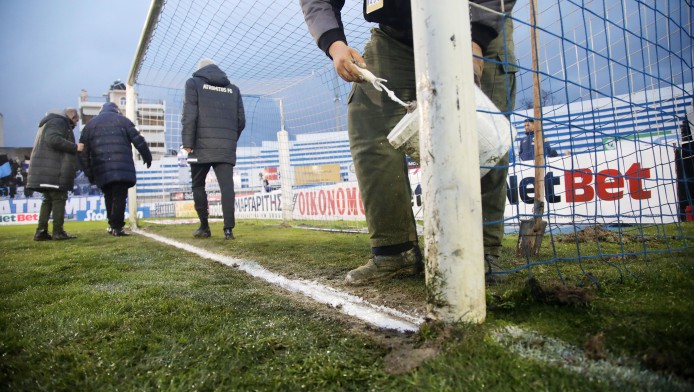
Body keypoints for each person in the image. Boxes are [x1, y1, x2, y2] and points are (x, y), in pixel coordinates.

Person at [300, 0, 516, 285]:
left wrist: (476, 40)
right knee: (369, 118)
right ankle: (395, 251)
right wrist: (334, 43)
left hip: (473, 20)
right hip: (397, 36)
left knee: (483, 130)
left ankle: (482, 252)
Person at [182, 58, 245, 240]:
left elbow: (189, 114)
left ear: (200, 70)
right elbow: (241, 120)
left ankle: (204, 227)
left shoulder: (193, 83)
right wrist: (230, 140)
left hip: (199, 146)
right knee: (227, 187)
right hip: (225, 146)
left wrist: (188, 142)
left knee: (197, 185)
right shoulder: (233, 89)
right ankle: (228, 230)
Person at [78, 102, 153, 237]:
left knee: (109, 195)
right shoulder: (123, 121)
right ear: (117, 111)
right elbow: (139, 140)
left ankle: (112, 225)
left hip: (101, 168)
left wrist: (89, 172)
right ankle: (117, 227)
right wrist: (147, 157)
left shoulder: (90, 125)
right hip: (122, 167)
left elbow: (83, 152)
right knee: (119, 195)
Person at [26, 108, 84, 241]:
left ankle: (41, 232)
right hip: (53, 170)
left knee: (47, 199)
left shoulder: (50, 122)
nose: (75, 124)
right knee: (59, 197)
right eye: (76, 120)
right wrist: (75, 147)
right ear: (70, 116)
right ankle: (58, 231)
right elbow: (53, 139)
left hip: (45, 170)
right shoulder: (59, 121)